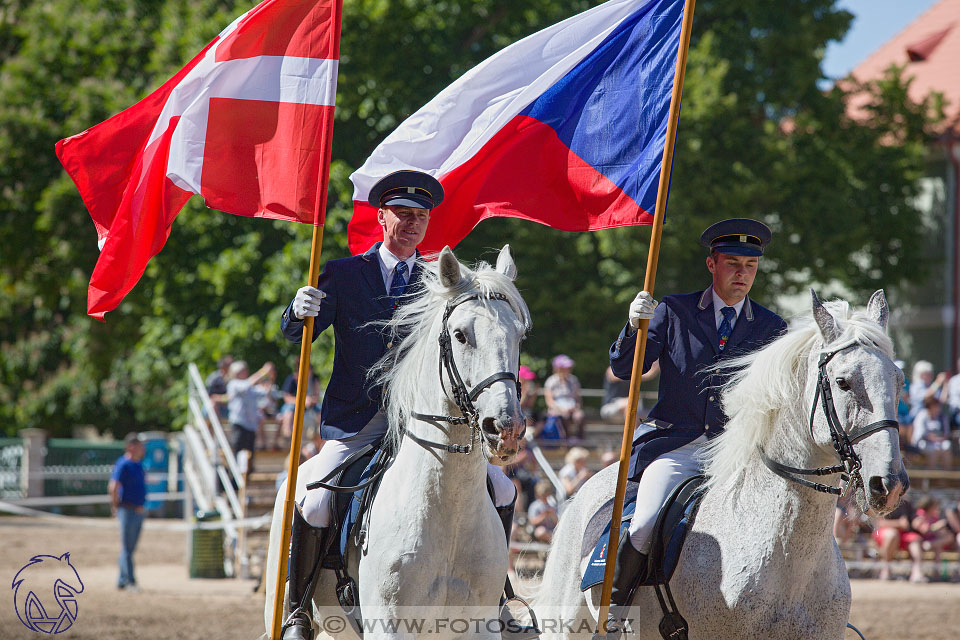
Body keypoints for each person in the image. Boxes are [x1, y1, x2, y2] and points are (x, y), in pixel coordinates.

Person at [278, 171, 523, 640]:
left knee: (503, 490)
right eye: (403, 215)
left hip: (425, 423)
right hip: (357, 424)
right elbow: (297, 336)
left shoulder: (443, 280)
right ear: (381, 217)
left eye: (421, 217)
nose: (412, 224)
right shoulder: (344, 275)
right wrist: (298, 310)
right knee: (314, 500)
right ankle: (298, 611)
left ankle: (498, 597)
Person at [605, 218, 787, 624]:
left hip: (741, 452)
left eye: (750, 267)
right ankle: (613, 613)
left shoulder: (773, 328)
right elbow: (624, 369)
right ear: (712, 264)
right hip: (678, 446)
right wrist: (633, 326)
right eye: (733, 264)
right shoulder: (674, 310)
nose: (742, 274)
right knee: (644, 524)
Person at [109, 433, 147, 592]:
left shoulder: (138, 464)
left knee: (130, 548)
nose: (142, 449)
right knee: (127, 548)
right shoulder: (123, 464)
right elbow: (113, 486)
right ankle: (130, 581)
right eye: (139, 446)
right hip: (127, 509)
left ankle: (122, 580)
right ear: (131, 447)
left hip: (138, 510)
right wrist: (115, 506)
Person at [226, 360, 275, 475]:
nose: (247, 372)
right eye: (244, 370)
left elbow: (264, 393)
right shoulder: (234, 384)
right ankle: (234, 480)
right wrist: (263, 372)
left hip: (250, 426)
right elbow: (247, 385)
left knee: (249, 456)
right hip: (239, 424)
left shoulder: (249, 386)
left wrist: (270, 378)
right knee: (238, 453)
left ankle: (246, 478)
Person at [277, 356, 322, 446]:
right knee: (289, 411)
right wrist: (302, 401)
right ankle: (288, 435)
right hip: (295, 404)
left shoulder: (314, 379)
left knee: (322, 411)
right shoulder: (292, 379)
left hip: (311, 405)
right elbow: (287, 398)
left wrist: (310, 400)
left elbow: (317, 396)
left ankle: (321, 434)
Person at [543, 354, 586, 441]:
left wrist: (575, 408)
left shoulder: (574, 380)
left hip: (572, 408)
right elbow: (549, 401)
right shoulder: (551, 381)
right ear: (558, 369)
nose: (568, 370)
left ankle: (580, 440)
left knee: (580, 416)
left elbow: (578, 399)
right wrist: (561, 410)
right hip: (557, 409)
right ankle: (566, 440)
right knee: (564, 416)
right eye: (565, 368)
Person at [912, 395, 952, 468]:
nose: (938, 408)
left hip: (939, 442)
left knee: (947, 446)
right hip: (923, 443)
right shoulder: (922, 415)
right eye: (936, 406)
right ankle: (931, 475)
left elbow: (946, 433)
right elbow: (919, 434)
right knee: (935, 449)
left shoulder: (942, 417)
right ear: (930, 406)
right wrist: (930, 437)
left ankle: (946, 475)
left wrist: (940, 438)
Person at [205, 355, 233, 419]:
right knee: (213, 404)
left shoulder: (235, 378)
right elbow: (211, 396)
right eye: (229, 365)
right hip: (218, 406)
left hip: (230, 406)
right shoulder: (214, 378)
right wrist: (225, 398)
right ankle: (216, 427)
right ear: (222, 366)